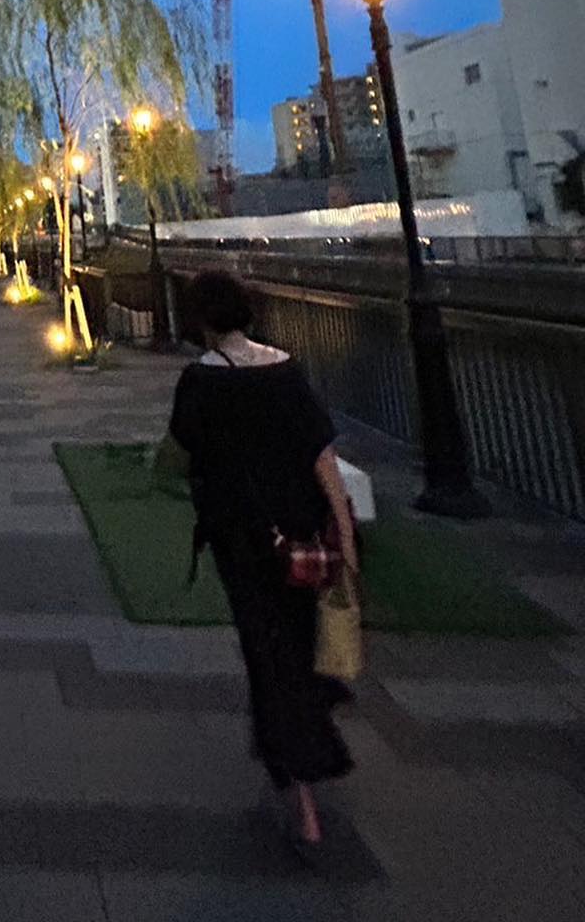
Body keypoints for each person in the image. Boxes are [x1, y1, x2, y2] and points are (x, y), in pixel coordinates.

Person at [167, 270, 358, 858]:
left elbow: (180, 454)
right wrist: (345, 537)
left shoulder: (200, 381)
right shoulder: (286, 370)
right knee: (300, 638)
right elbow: (323, 459)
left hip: (244, 540)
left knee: (266, 649)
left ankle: (302, 800)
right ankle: (308, 727)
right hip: (303, 531)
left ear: (201, 319)